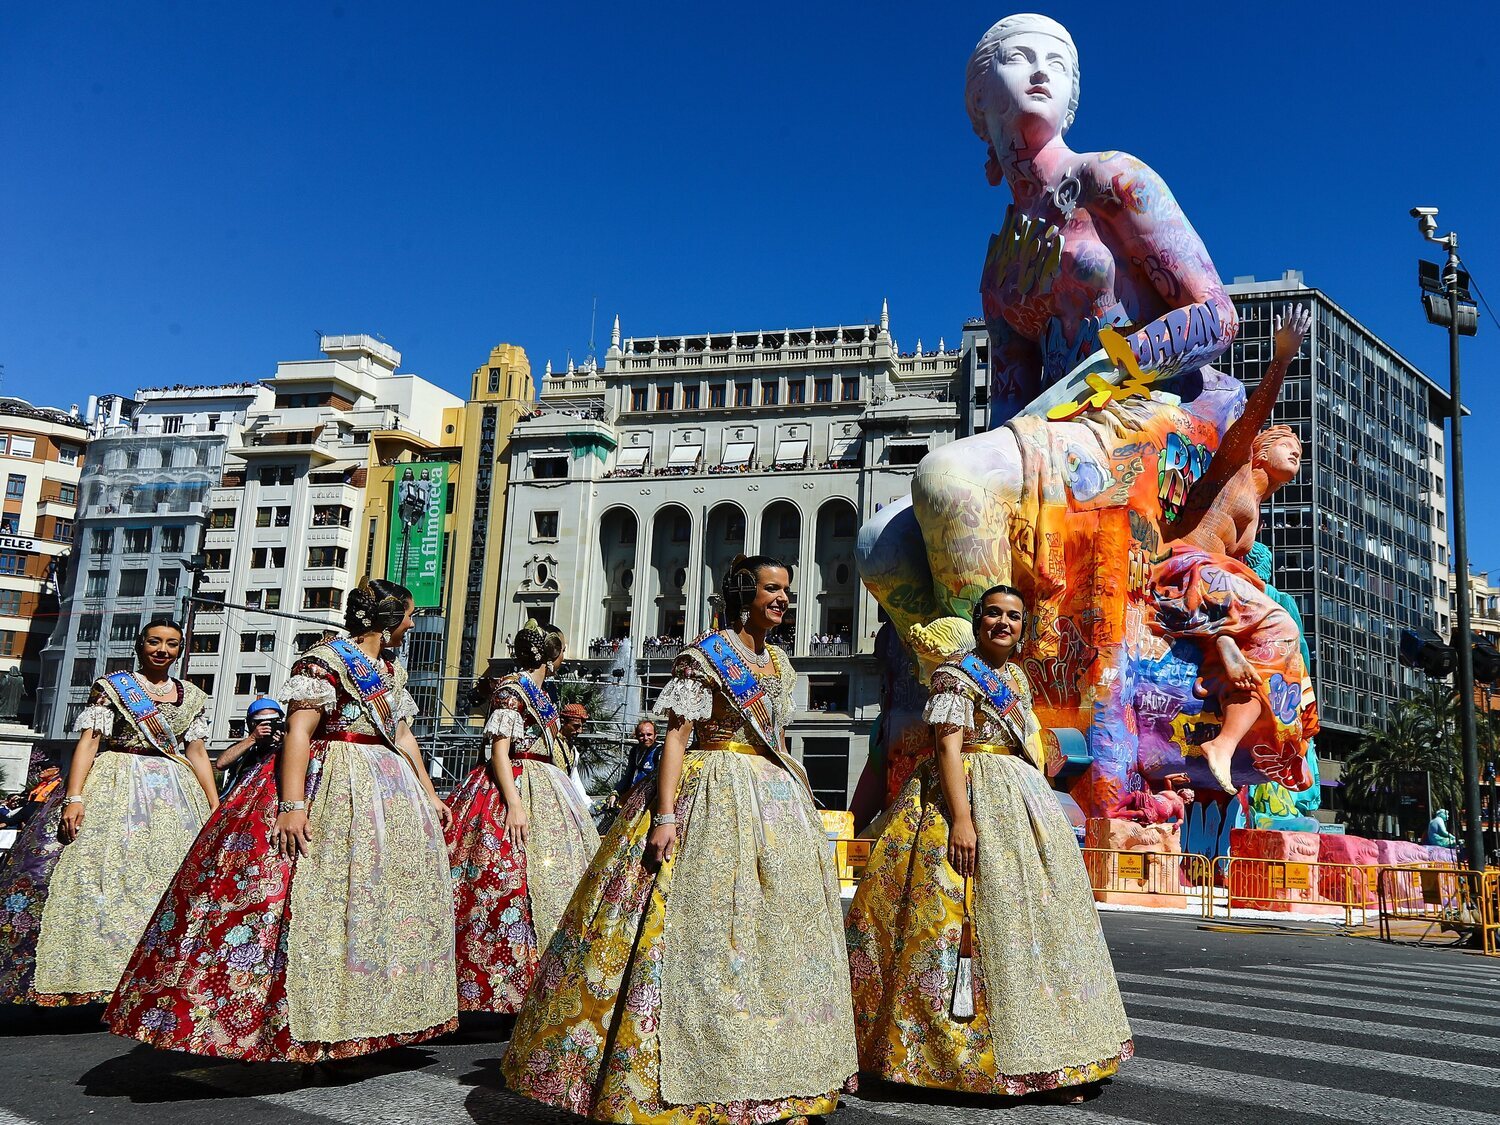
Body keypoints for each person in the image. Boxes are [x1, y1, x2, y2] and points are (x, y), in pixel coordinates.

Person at [503, 555, 857, 1123]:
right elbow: (676, 738)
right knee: (704, 930)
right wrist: (665, 815)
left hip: (772, 803)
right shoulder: (705, 656)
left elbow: (777, 735)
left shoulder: (782, 664)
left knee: (778, 937)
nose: (783, 600)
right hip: (711, 791)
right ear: (744, 593)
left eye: (786, 591)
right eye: (772, 589)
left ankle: (785, 1074)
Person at [106, 579, 458, 1060]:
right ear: (387, 618)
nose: (413, 623)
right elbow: (299, 731)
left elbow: (402, 733)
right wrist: (293, 806)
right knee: (322, 897)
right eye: (409, 615)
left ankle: (375, 1011)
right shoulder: (324, 663)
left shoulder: (390, 671)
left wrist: (427, 788)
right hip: (337, 778)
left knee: (381, 900)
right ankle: (302, 1017)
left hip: (388, 786)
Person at [846, 585, 1132, 1099]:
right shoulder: (956, 675)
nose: (1004, 623)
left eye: (1014, 617)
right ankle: (954, 1057)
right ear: (978, 621)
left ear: (1024, 627)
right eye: (994, 614)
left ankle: (1057, 1053)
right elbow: (948, 747)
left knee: (1038, 929)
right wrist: (961, 818)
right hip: (968, 797)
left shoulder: (1016, 678)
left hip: (1020, 803)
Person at [0, 620, 217, 1005]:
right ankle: (98, 976)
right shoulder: (113, 688)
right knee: (102, 876)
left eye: (171, 644)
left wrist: (215, 808)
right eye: (154, 642)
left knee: (169, 878)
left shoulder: (194, 696)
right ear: (140, 645)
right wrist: (74, 796)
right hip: (116, 783)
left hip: (176, 793)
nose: (161, 650)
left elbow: (196, 754)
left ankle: (160, 974)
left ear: (180, 650)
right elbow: (90, 742)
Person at [1153, 305, 1318, 793]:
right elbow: (1254, 414)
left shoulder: (1257, 517)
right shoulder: (1236, 469)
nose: (1297, 451)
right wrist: (1282, 359)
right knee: (1281, 624)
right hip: (1188, 569)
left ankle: (1230, 735)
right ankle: (1224, 736)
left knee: (1275, 654)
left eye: (1301, 452)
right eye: (1287, 442)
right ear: (1260, 449)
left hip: (1217, 594)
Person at [445, 623, 598, 1014]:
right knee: (505, 879)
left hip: (546, 786)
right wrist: (513, 803)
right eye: (562, 649)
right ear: (551, 654)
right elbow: (499, 749)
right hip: (513, 785)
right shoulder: (513, 690)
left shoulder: (538, 694)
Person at [214, 697, 284, 798]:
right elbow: (221, 764)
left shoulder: (285, 746)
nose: (269, 727)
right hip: (242, 799)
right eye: (264, 722)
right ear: (252, 724)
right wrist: (253, 738)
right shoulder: (245, 747)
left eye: (274, 721)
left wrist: (284, 744)